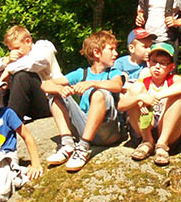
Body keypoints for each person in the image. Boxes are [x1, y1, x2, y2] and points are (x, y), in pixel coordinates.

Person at [42, 30, 128, 172]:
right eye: (111, 49)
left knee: (100, 94)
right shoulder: (82, 73)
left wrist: (92, 84)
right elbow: (45, 84)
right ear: (96, 52)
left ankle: (83, 148)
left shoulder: (113, 73)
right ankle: (68, 144)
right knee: (54, 94)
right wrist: (60, 90)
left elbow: (117, 86)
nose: (116, 54)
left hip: (109, 131)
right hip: (85, 127)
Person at [119, 42, 181, 166]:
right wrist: (140, 98)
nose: (157, 67)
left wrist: (157, 96)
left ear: (171, 67)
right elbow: (121, 105)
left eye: (162, 63)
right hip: (144, 128)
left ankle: (162, 144)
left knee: (179, 98)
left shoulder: (173, 80)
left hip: (167, 129)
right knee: (135, 92)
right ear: (148, 63)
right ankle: (147, 142)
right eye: (154, 62)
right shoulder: (142, 83)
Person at [0, 25, 62, 123]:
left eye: (17, 48)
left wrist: (8, 70)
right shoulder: (16, 60)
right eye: (11, 50)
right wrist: (7, 60)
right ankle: (1, 116)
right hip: (27, 107)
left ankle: (10, 122)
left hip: (49, 102)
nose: (14, 52)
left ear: (28, 41)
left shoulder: (43, 48)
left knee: (23, 76)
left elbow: (34, 62)